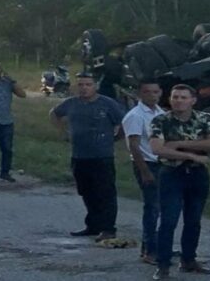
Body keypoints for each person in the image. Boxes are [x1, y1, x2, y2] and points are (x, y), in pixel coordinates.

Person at [149, 84, 210, 280]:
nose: (178, 101)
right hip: (172, 173)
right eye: (175, 97)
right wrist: (193, 155)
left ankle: (189, 259)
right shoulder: (161, 120)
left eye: (183, 97)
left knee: (194, 220)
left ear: (193, 100)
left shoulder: (205, 118)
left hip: (197, 174)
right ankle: (163, 265)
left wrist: (180, 144)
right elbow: (158, 148)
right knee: (168, 220)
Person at [49, 72, 124, 242]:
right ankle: (93, 225)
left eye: (88, 85)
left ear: (95, 86)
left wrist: (116, 138)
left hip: (102, 156)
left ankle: (108, 228)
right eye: (80, 85)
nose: (84, 88)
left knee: (105, 193)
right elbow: (54, 114)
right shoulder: (71, 103)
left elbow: (124, 122)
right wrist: (63, 132)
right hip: (80, 155)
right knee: (86, 192)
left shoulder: (107, 104)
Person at [121, 79, 165, 265]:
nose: (152, 95)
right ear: (140, 94)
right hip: (147, 163)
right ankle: (149, 250)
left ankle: (155, 245)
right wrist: (145, 172)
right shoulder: (136, 116)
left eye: (155, 92)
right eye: (147, 92)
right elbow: (134, 146)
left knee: (162, 207)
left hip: (163, 163)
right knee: (152, 207)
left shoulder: (161, 113)